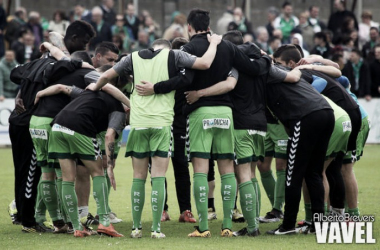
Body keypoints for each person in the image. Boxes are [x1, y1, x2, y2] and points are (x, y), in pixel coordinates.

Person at [89, 35, 224, 238]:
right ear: (167, 49)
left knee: (138, 177)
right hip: (161, 124)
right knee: (158, 176)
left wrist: (94, 88)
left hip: (138, 124)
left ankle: (135, 228)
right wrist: (214, 43)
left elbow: (106, 76)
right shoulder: (175, 55)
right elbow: (205, 63)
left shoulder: (131, 58)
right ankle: (155, 229)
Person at [157, 9, 272, 238]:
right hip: (226, 113)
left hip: (200, 113)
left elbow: (184, 79)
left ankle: (203, 227)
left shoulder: (187, 49)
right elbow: (253, 69)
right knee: (228, 170)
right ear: (208, 26)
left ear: (189, 27)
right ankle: (227, 225)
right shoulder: (227, 47)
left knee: (200, 169)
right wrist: (266, 57)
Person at [8, 21, 96, 233]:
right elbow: (72, 64)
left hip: (19, 120)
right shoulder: (59, 66)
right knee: (34, 174)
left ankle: (24, 214)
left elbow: (15, 74)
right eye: (84, 43)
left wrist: (23, 92)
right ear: (73, 39)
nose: (85, 48)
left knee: (29, 173)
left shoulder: (36, 64)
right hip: (29, 121)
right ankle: (30, 221)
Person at [36, 81, 129, 237]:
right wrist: (111, 166)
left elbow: (65, 88)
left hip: (57, 126)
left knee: (67, 178)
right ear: (128, 110)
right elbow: (109, 136)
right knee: (98, 172)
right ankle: (105, 223)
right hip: (79, 127)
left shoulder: (90, 94)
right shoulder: (120, 110)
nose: (128, 123)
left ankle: (77, 227)